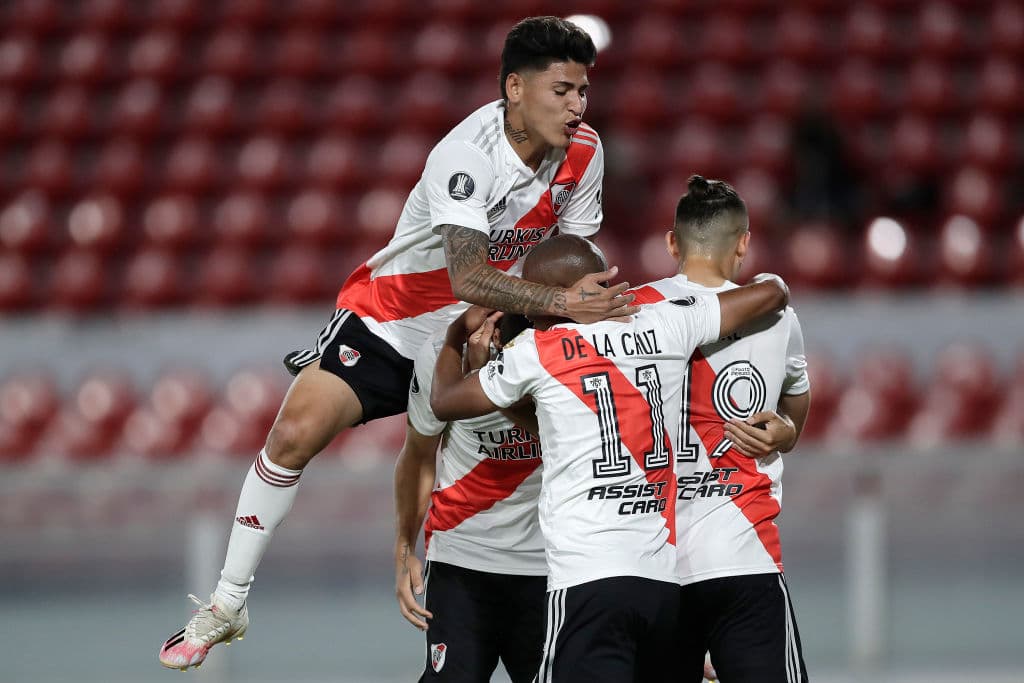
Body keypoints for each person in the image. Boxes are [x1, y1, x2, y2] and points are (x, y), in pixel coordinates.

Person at [159, 16, 638, 671]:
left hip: (487, 323)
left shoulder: (586, 151)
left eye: (583, 91)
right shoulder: (466, 155)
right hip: (393, 322)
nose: (578, 106)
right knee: (295, 429)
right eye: (562, 91)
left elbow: (572, 258)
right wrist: (561, 304)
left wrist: (565, 322)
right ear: (515, 88)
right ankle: (228, 600)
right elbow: (469, 271)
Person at [429, 234, 790, 683]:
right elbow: (771, 294)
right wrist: (774, 278)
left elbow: (443, 401)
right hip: (661, 588)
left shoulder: (538, 351)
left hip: (587, 583)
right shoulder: (663, 322)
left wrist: (453, 338)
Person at [631, 176, 812, 683]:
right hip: (745, 556)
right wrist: (787, 433)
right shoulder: (777, 316)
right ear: (743, 243)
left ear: (672, 242)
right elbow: (796, 395)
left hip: (651, 561)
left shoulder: (629, 313)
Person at [394, 313, 546, 682]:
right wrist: (403, 550)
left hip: (555, 564)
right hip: (463, 557)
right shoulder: (443, 353)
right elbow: (418, 453)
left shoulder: (574, 349)